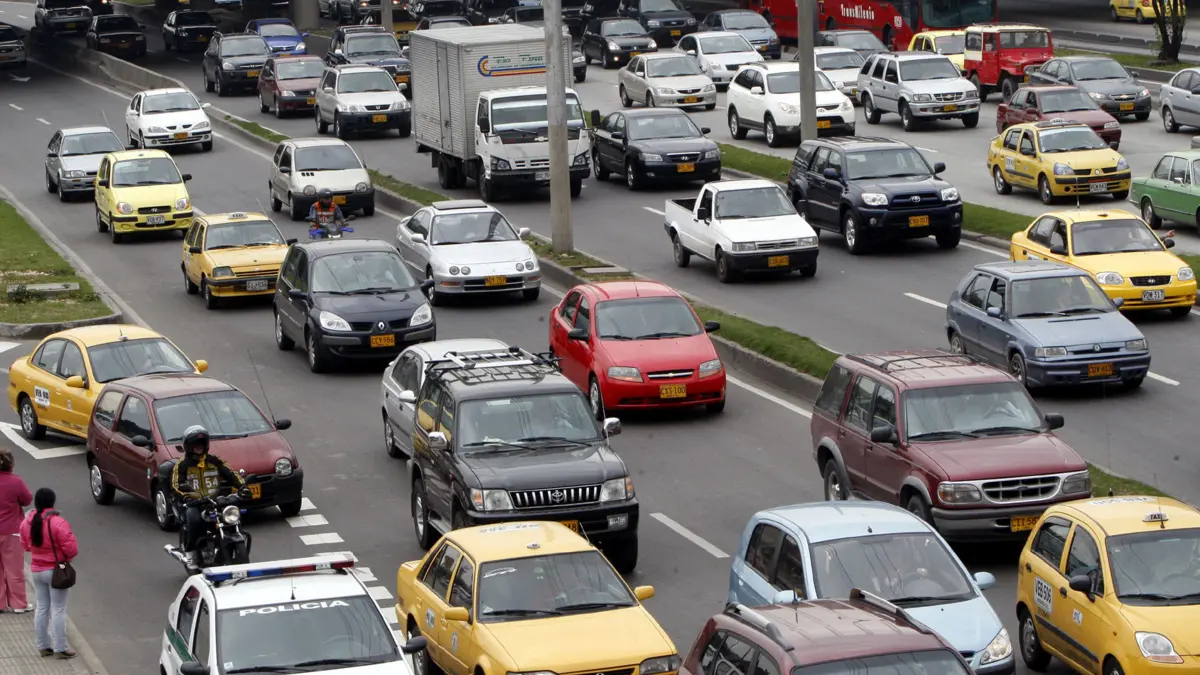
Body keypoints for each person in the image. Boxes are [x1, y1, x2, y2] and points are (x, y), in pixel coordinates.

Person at [170, 425, 246, 566]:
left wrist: (242, 487)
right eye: (195, 444)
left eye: (201, 443)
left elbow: (231, 474)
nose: (198, 447)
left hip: (214, 501)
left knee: (232, 517)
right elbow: (176, 486)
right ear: (188, 446)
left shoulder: (214, 461)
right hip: (195, 504)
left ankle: (229, 545)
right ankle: (191, 552)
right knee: (193, 519)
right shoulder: (182, 465)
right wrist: (186, 497)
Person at [19, 488, 77, 659]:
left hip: (37, 570)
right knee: (58, 609)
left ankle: (43, 645)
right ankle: (60, 648)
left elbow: (26, 545)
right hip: (55, 571)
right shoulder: (58, 522)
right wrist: (65, 557)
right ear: (52, 502)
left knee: (42, 607)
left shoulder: (27, 523)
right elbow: (71, 548)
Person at [0, 448, 32, 614]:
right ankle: (18, 604)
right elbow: (27, 499)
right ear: (10, 464)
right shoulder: (15, 482)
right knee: (14, 570)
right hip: (11, 530)